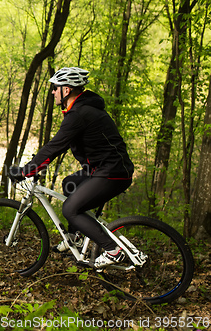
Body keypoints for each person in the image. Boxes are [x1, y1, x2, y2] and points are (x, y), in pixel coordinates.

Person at [8, 67, 134, 269]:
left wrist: (26, 170)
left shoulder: (80, 113)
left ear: (66, 90)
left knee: (70, 209)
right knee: (70, 183)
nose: (52, 92)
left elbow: (56, 146)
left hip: (112, 172)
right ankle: (75, 236)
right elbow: (60, 145)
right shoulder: (81, 110)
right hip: (105, 169)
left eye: (55, 88)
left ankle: (113, 251)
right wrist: (38, 163)